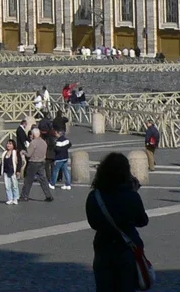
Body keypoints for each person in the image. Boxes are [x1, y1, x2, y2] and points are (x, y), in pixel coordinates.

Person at [86, 152, 149, 292]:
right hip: (126, 248)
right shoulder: (131, 196)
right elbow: (142, 221)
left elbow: (93, 223)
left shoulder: (95, 196)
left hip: (103, 247)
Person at [20, 129, 53, 202]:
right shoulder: (44, 142)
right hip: (41, 162)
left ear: (34, 135)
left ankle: (24, 196)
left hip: (33, 163)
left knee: (28, 180)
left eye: (31, 134)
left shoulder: (33, 143)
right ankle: (49, 195)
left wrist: (23, 152)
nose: (30, 136)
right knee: (43, 180)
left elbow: (29, 154)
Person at [0, 139, 22, 206]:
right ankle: (10, 199)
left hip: (13, 171)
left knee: (15, 185)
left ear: (13, 145)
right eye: (8, 143)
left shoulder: (16, 153)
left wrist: (18, 170)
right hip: (6, 171)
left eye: (10, 144)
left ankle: (16, 198)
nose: (8, 145)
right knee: (7, 186)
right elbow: (2, 163)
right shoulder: (4, 153)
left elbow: (19, 162)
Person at [51, 124, 73, 191]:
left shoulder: (58, 141)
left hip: (59, 158)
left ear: (58, 133)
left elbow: (57, 149)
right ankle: (68, 184)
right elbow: (70, 144)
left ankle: (52, 184)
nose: (55, 134)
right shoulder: (66, 140)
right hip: (65, 157)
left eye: (56, 133)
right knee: (66, 171)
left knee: (56, 171)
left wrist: (55, 146)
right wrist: (65, 148)